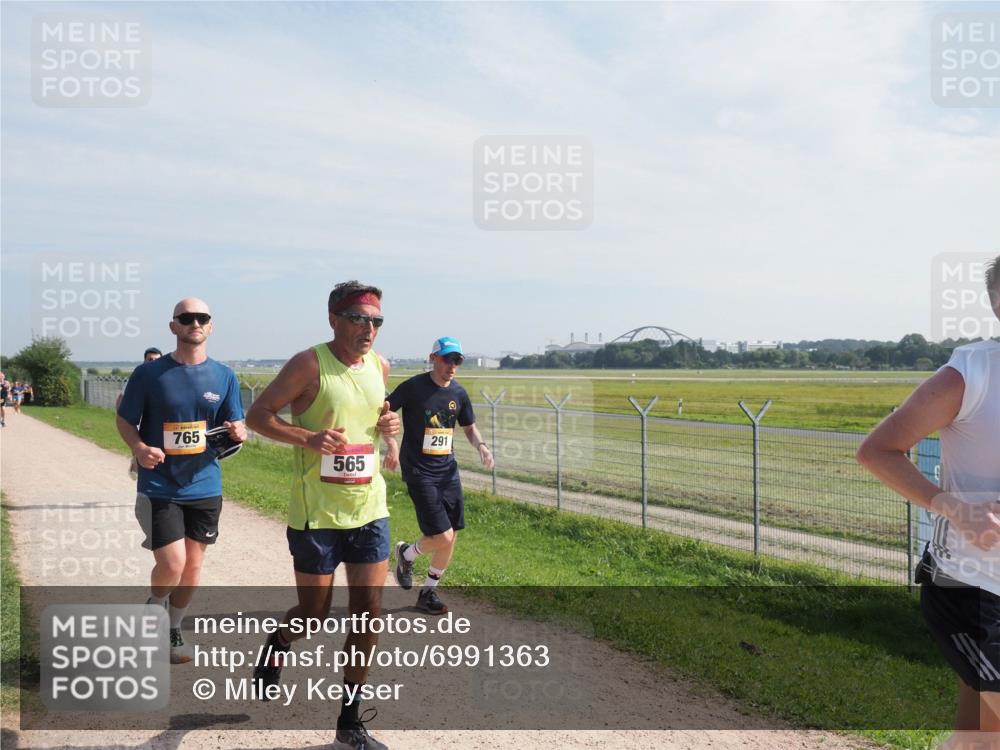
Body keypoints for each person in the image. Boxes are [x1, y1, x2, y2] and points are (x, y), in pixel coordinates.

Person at [245, 280, 400, 750]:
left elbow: (375, 420)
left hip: (369, 507)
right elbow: (258, 416)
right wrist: (306, 439)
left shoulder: (380, 366)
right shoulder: (308, 363)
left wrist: (391, 431)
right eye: (358, 319)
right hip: (318, 514)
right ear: (333, 318)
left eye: (376, 321)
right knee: (315, 615)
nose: (368, 329)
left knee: (368, 613)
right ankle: (277, 643)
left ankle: (349, 721)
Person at [857, 255, 1000, 750]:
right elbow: (877, 450)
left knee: (977, 738)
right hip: (975, 587)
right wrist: (955, 508)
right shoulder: (971, 374)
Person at [116, 299, 245, 664]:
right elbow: (125, 420)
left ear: (210, 326)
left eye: (201, 318)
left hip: (205, 484)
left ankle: (173, 629)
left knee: (192, 566)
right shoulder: (149, 374)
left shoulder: (224, 376)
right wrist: (140, 447)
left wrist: (240, 432)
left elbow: (234, 426)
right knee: (172, 564)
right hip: (160, 485)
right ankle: (154, 608)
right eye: (186, 318)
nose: (195, 323)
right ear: (174, 327)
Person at [386, 337, 493, 615]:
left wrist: (481, 445)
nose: (452, 366)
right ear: (433, 358)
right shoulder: (413, 387)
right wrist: (391, 444)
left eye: (457, 360)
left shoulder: (458, 393)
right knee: (442, 535)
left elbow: (469, 427)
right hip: (419, 471)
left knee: (452, 534)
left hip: (448, 472)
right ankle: (407, 554)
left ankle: (428, 592)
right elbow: (385, 412)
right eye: (447, 359)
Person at [117, 347, 163, 478]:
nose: (153, 362)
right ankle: (138, 468)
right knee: (140, 449)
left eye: (156, 359)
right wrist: (122, 417)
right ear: (144, 361)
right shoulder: (137, 378)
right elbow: (121, 400)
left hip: (156, 423)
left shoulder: (165, 379)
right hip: (138, 421)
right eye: (150, 359)